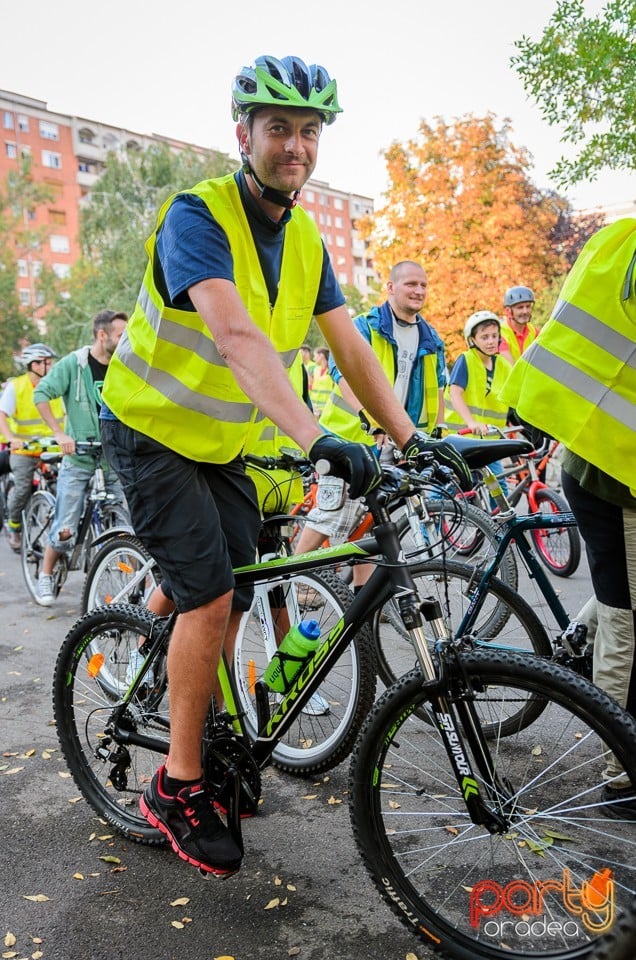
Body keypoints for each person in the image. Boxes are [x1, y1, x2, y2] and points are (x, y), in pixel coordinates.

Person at [98, 55, 471, 879]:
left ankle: (178, 665)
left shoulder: (304, 237)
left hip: (220, 444)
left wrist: (412, 437)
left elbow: (351, 349)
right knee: (213, 593)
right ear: (245, 134)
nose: (294, 146)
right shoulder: (197, 215)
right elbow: (235, 339)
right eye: (278, 129)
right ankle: (177, 782)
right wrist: (316, 439)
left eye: (308, 132)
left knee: (240, 585)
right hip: (151, 434)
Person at [501, 217, 636, 817]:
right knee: (627, 620)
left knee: (616, 592)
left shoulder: (619, 236)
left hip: (594, 458)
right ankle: (622, 771)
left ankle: (579, 634)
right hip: (618, 473)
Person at [294, 259, 448, 587]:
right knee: (330, 515)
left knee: (369, 520)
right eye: (411, 284)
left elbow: (439, 391)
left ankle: (362, 597)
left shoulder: (430, 338)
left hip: (392, 443)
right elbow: (342, 373)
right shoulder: (365, 325)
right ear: (390, 287)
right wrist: (371, 419)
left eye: (423, 284)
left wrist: (430, 437)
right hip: (347, 438)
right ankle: (287, 583)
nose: (419, 290)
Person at [32, 309, 128, 606]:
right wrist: (60, 434)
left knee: (125, 524)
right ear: (102, 335)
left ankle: (130, 585)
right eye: (120, 335)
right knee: (65, 528)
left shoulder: (123, 365)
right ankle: (45, 575)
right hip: (79, 459)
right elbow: (41, 395)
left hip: (110, 458)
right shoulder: (75, 364)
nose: (126, 340)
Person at [0, 344, 64, 552]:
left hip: (53, 449)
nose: (50, 366)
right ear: (33, 364)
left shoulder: (56, 385)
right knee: (22, 488)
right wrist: (10, 439)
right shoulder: (16, 386)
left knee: (67, 484)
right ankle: (15, 527)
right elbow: (2, 415)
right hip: (24, 450)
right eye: (47, 362)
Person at [445, 311, 512, 437]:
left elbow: (517, 393)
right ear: (472, 340)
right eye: (484, 337)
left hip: (492, 439)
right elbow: (455, 394)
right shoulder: (466, 360)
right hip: (461, 438)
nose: (491, 341)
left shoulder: (503, 365)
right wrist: (471, 422)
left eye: (494, 336)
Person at [499, 285, 538, 365]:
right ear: (508, 310)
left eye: (528, 306)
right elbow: (510, 367)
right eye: (520, 307)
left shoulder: (533, 331)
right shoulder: (500, 333)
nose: (525, 311)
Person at [308, 345, 333, 416]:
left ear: (321, 356)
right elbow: (310, 387)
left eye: (315, 356)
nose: (314, 358)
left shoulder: (331, 371)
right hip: (314, 407)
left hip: (327, 408)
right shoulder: (314, 370)